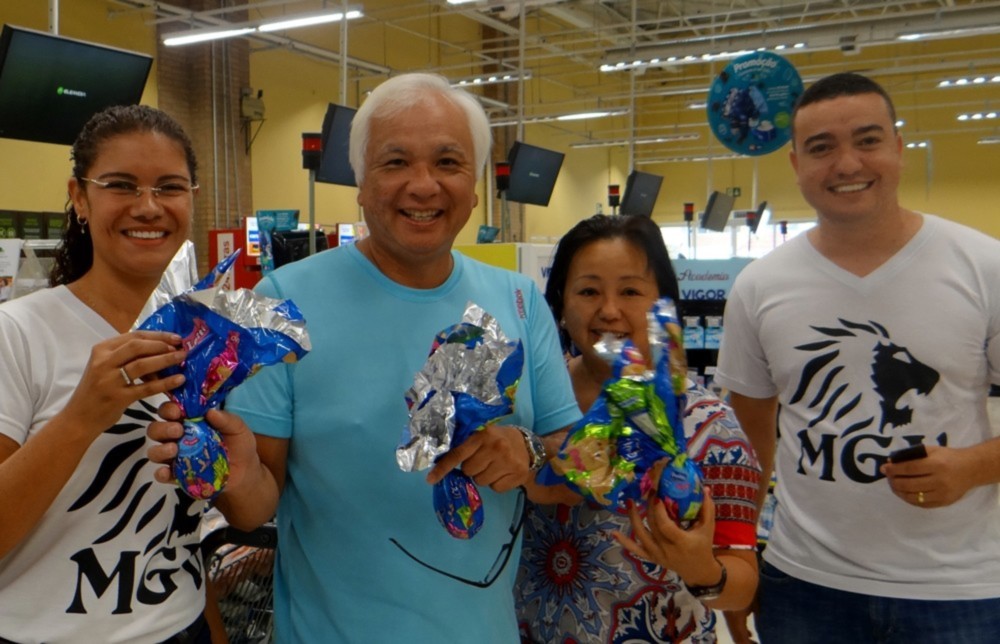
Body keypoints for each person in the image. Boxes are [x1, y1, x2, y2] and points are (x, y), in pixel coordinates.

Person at [148, 72, 581, 643]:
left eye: (447, 163)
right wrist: (237, 470)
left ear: (475, 186)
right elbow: (252, 510)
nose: (423, 185)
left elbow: (578, 469)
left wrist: (530, 452)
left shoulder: (518, 300)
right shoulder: (284, 304)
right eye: (395, 162)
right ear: (360, 181)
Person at [713, 71, 1000, 643]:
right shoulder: (759, 286)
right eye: (821, 148)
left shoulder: (982, 267)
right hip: (804, 585)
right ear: (796, 164)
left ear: (898, 146)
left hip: (959, 591)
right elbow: (748, 441)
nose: (847, 164)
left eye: (868, 140)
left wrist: (973, 466)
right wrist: (738, 557)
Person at [0, 105, 214, 642]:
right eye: (121, 185)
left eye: (170, 187)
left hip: (179, 624)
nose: (149, 207)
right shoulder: (16, 332)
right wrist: (81, 417)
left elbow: (191, 523)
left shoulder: (211, 336)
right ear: (79, 197)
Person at [515, 214, 761, 643]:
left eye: (630, 291)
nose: (609, 311)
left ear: (662, 304)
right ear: (560, 304)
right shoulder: (526, 407)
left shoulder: (710, 427)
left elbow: (742, 584)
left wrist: (701, 569)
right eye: (588, 291)